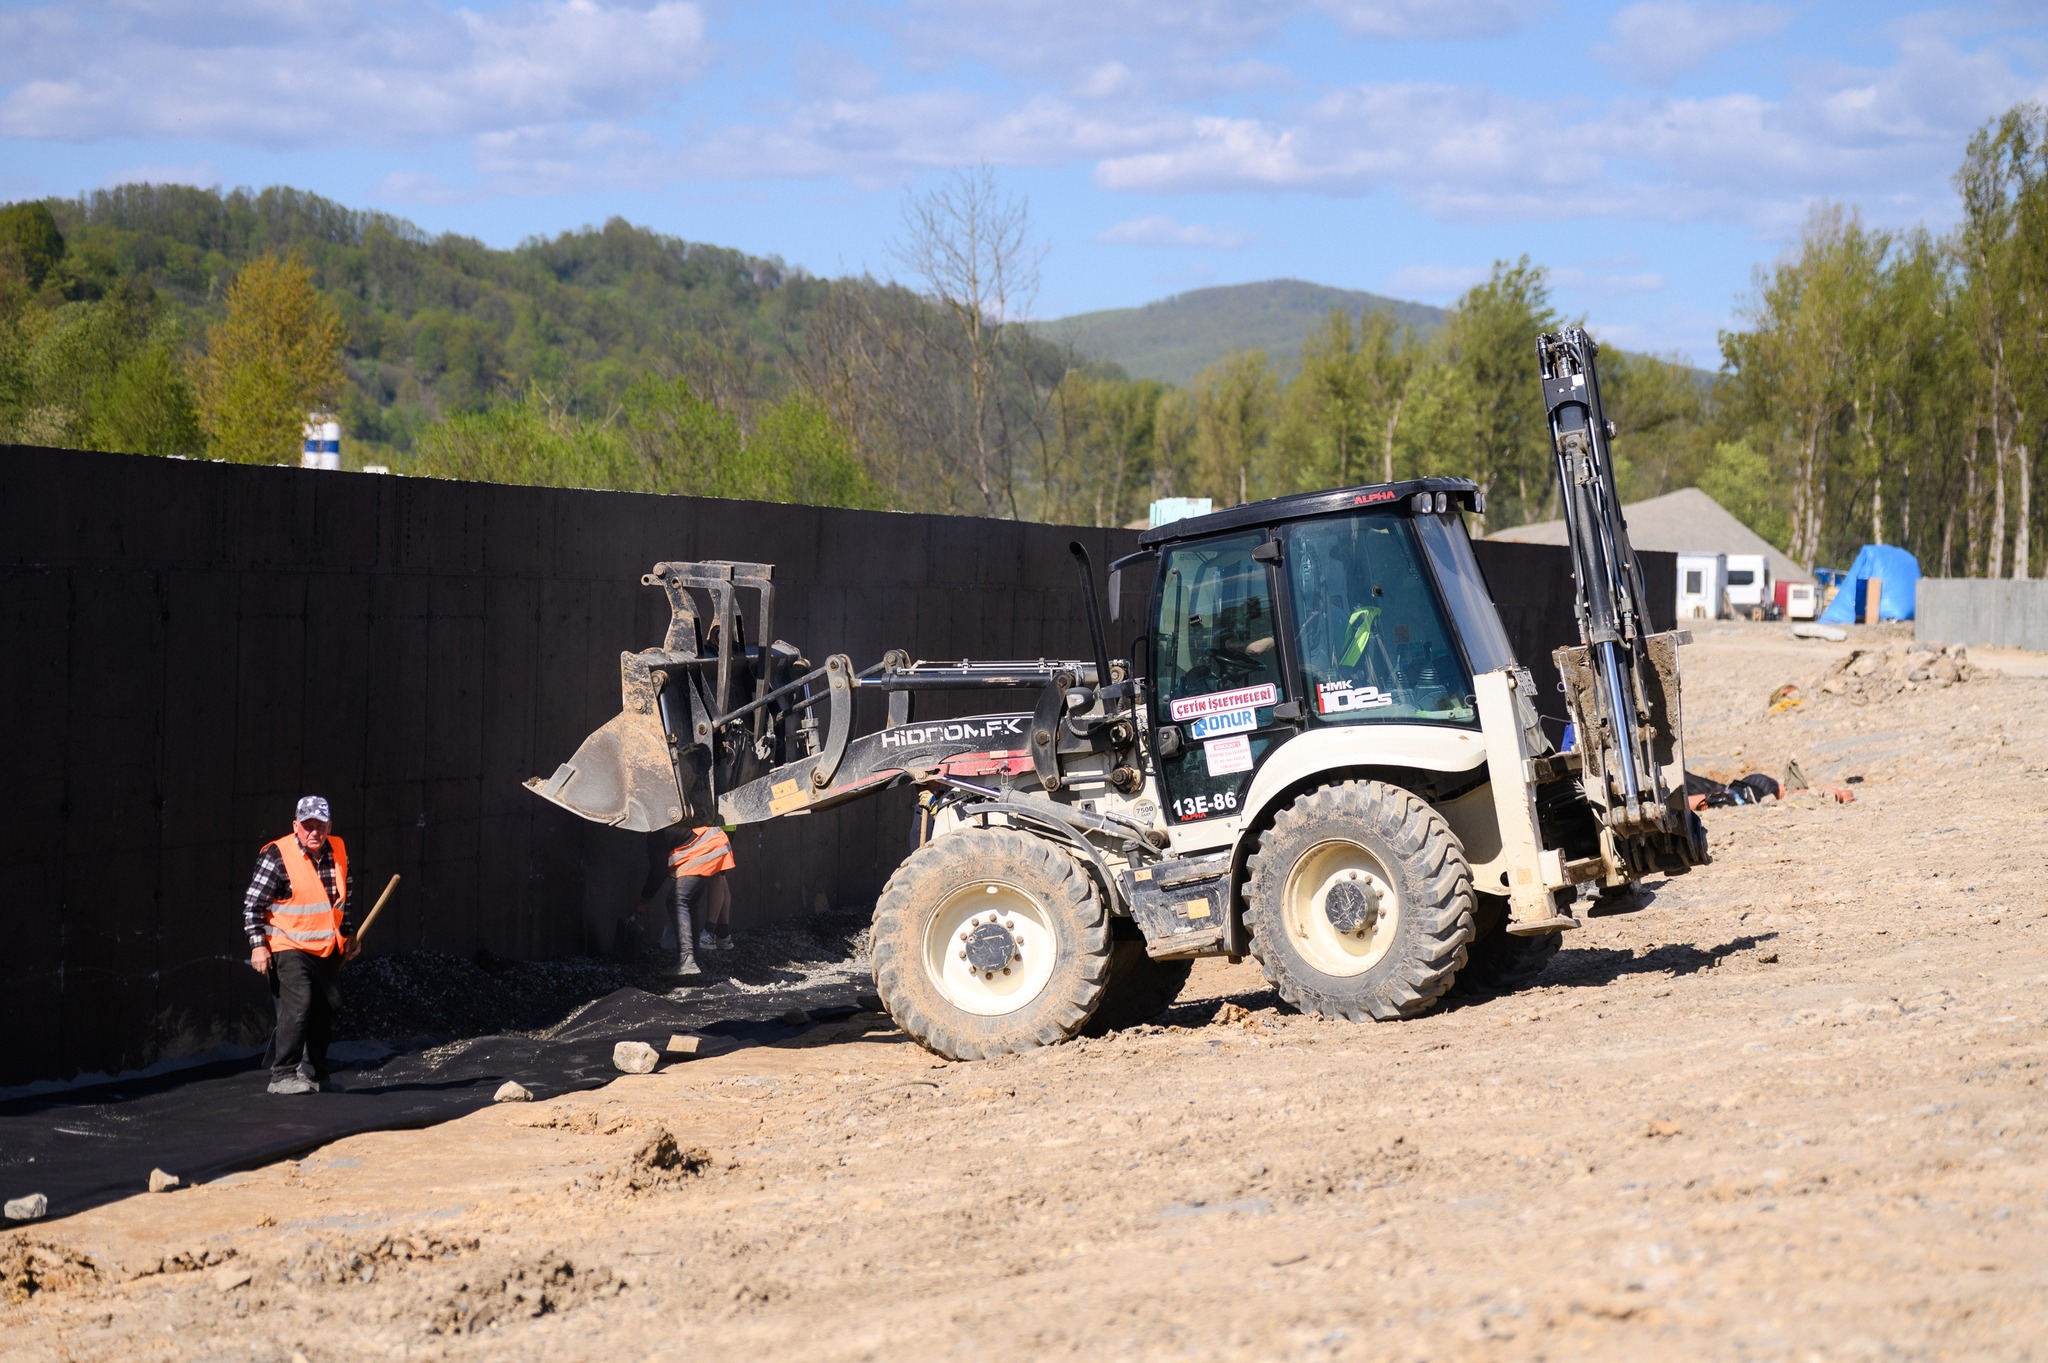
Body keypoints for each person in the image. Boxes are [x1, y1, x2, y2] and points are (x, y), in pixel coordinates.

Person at [242, 795, 356, 1095]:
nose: (314, 832)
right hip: (286, 943)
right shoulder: (278, 855)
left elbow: (341, 900)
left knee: (328, 1006)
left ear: (329, 825)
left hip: (325, 948)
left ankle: (315, 1074)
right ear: (296, 826)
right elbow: (253, 904)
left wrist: (348, 935)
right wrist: (258, 946)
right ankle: (282, 1075)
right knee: (299, 1004)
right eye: (307, 826)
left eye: (320, 825)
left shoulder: (338, 851)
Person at [641, 823, 736, 977]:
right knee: (690, 903)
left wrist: (644, 900)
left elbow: (657, 871)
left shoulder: (655, 833)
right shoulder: (665, 825)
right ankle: (693, 958)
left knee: (677, 899)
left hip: (708, 847)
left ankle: (686, 960)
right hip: (715, 842)